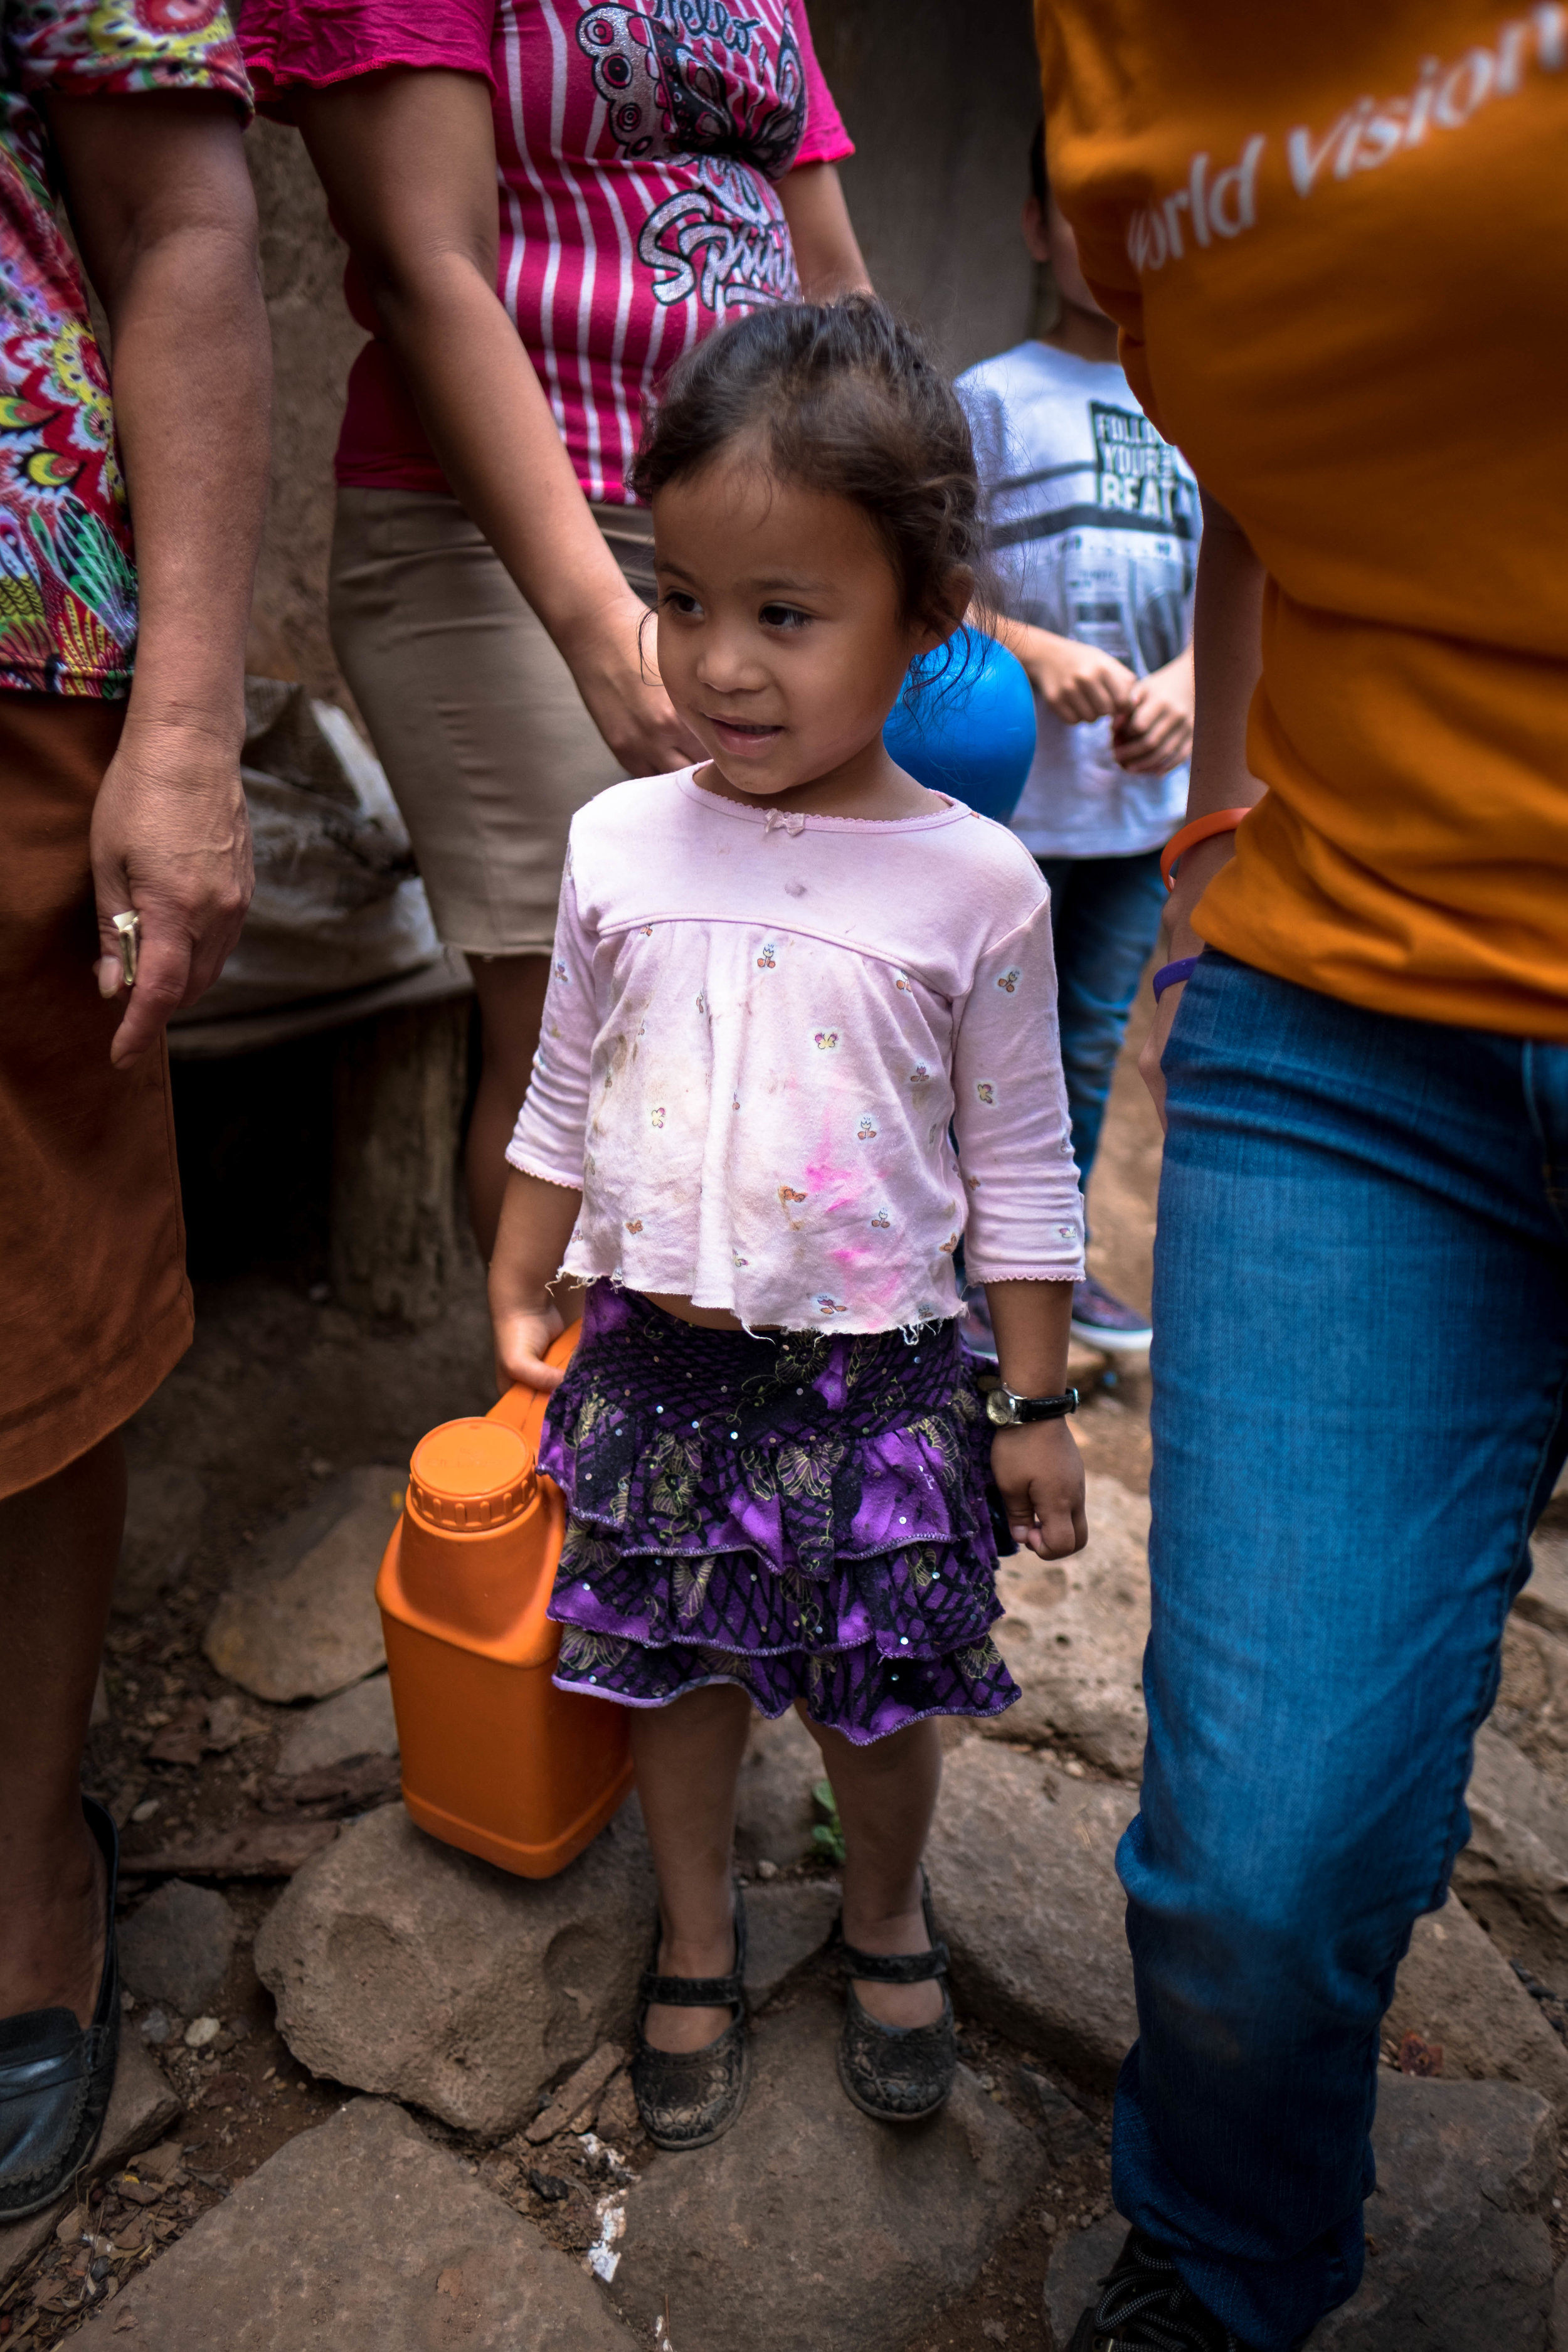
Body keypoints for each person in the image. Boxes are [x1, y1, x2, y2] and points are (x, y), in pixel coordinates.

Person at [1032, 4, 1568, 2348]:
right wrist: (1221, 823)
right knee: (1250, 1875)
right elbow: (1280, 453)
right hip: (1344, 1008)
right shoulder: (1098, 55)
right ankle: (1229, 2257)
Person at [488, 297, 1089, 2148]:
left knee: (873, 1688)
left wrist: (1036, 1394)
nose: (718, 665)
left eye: (784, 614)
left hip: (882, 1378)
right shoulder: (617, 842)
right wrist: (521, 1258)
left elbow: (1019, 1152)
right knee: (663, 1666)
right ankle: (693, 1930)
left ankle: (884, 1911)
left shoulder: (974, 882)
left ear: (922, 620)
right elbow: (567, 1083)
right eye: (682, 598)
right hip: (658, 1357)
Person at [238, 0, 871, 1253]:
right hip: (501, 533)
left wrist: (902, 545)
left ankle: (708, 1405)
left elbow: (836, 282)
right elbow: (429, 267)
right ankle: (566, 1431)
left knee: (778, 1006)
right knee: (590, 1036)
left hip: (763, 534)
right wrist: (604, 633)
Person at [0, 11, 268, 2217]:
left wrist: (189, 727)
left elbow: (179, 199)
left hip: (9, 647)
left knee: (29, 1324)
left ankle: (22, 1890)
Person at [958, 123, 1197, 1357]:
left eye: (1129, 218)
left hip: (1128, 817)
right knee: (967, 1044)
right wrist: (1028, 650)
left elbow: (1243, 589)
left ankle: (1039, 1277)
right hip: (997, 809)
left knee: (1083, 1045)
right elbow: (919, 580)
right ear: (1033, 225)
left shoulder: (1203, 404)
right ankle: (943, 1279)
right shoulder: (991, 398)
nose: (1102, 248)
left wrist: (1191, 684)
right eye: (1074, 214)